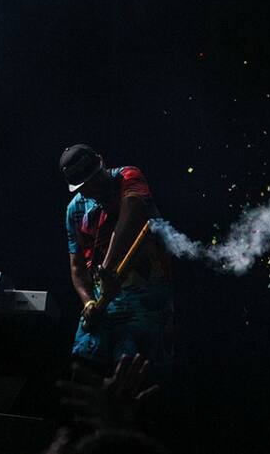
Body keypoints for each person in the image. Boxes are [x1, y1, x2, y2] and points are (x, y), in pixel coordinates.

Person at [60, 145, 173, 377]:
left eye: (95, 178)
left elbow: (129, 219)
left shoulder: (129, 177)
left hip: (145, 296)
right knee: (82, 368)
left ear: (102, 162)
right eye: (84, 185)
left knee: (136, 371)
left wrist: (107, 269)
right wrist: (88, 302)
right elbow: (77, 267)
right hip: (104, 299)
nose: (92, 187)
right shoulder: (74, 210)